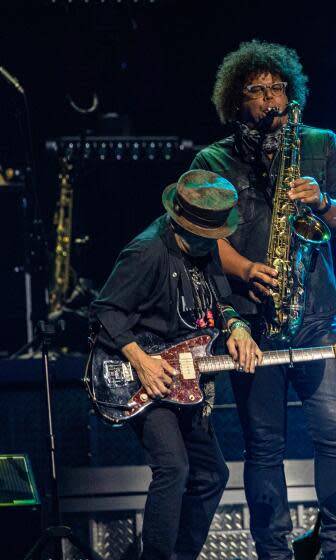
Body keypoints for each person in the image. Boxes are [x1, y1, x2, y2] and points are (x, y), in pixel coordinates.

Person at [190, 40, 336, 560]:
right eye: (256, 91)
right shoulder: (213, 158)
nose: (269, 100)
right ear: (236, 101)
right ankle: (274, 553)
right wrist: (244, 269)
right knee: (264, 447)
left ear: (292, 93)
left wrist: (323, 200)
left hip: (315, 314)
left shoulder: (321, 143)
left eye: (277, 88)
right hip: (250, 320)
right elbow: (197, 234)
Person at [89, 169, 262, 560]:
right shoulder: (147, 251)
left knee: (213, 474)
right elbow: (104, 311)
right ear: (187, 224)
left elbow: (219, 298)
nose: (217, 242)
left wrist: (236, 325)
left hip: (185, 379)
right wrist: (142, 360)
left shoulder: (206, 247)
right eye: (210, 235)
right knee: (174, 468)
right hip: (141, 377)